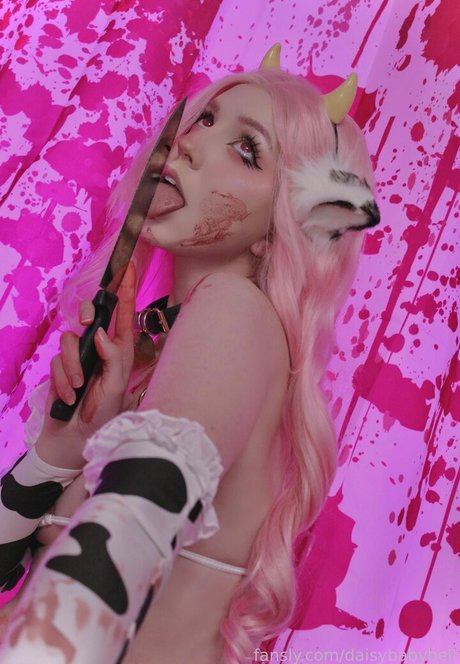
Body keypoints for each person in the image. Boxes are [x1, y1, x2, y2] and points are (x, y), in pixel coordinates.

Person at [0, 44, 380, 663]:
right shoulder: (161, 354)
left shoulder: (235, 310)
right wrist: (59, 452)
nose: (191, 144)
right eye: (204, 118)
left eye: (247, 149)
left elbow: (118, 547)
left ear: (281, 228)